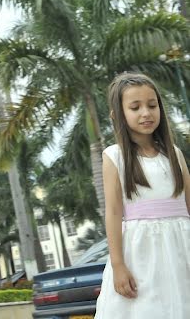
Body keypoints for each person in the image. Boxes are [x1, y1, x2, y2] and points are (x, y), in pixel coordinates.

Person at [95, 72, 190, 318]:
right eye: (135, 107)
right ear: (118, 115)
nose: (146, 113)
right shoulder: (113, 157)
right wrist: (118, 265)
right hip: (142, 255)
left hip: (182, 248)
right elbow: (114, 212)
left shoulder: (175, 155)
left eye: (152, 105)